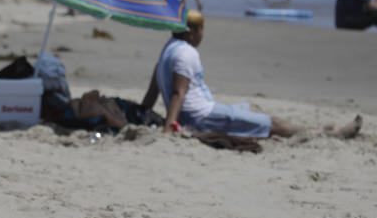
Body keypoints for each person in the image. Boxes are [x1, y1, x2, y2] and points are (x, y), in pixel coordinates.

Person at [141, 10, 363, 138]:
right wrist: (169, 127)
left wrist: (143, 110)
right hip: (202, 116)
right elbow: (179, 93)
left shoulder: (169, 47)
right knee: (271, 123)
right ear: (192, 31)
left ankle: (311, 129)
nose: (203, 34)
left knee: (251, 108)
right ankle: (328, 135)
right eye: (202, 29)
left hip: (202, 110)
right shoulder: (187, 54)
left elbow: (155, 83)